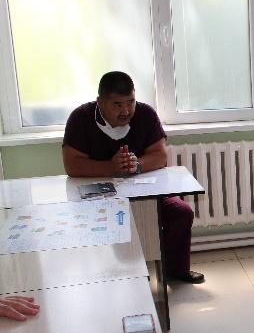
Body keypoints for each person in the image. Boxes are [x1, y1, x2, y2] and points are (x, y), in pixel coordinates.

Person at [62, 71, 204, 284]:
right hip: (100, 197)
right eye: (117, 104)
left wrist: (137, 165)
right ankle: (118, 275)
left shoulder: (146, 114)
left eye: (131, 102)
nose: (126, 111)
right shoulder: (80, 118)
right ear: (100, 102)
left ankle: (175, 269)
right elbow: (72, 164)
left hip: (145, 191)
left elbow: (160, 156)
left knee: (181, 213)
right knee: (116, 228)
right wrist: (110, 167)